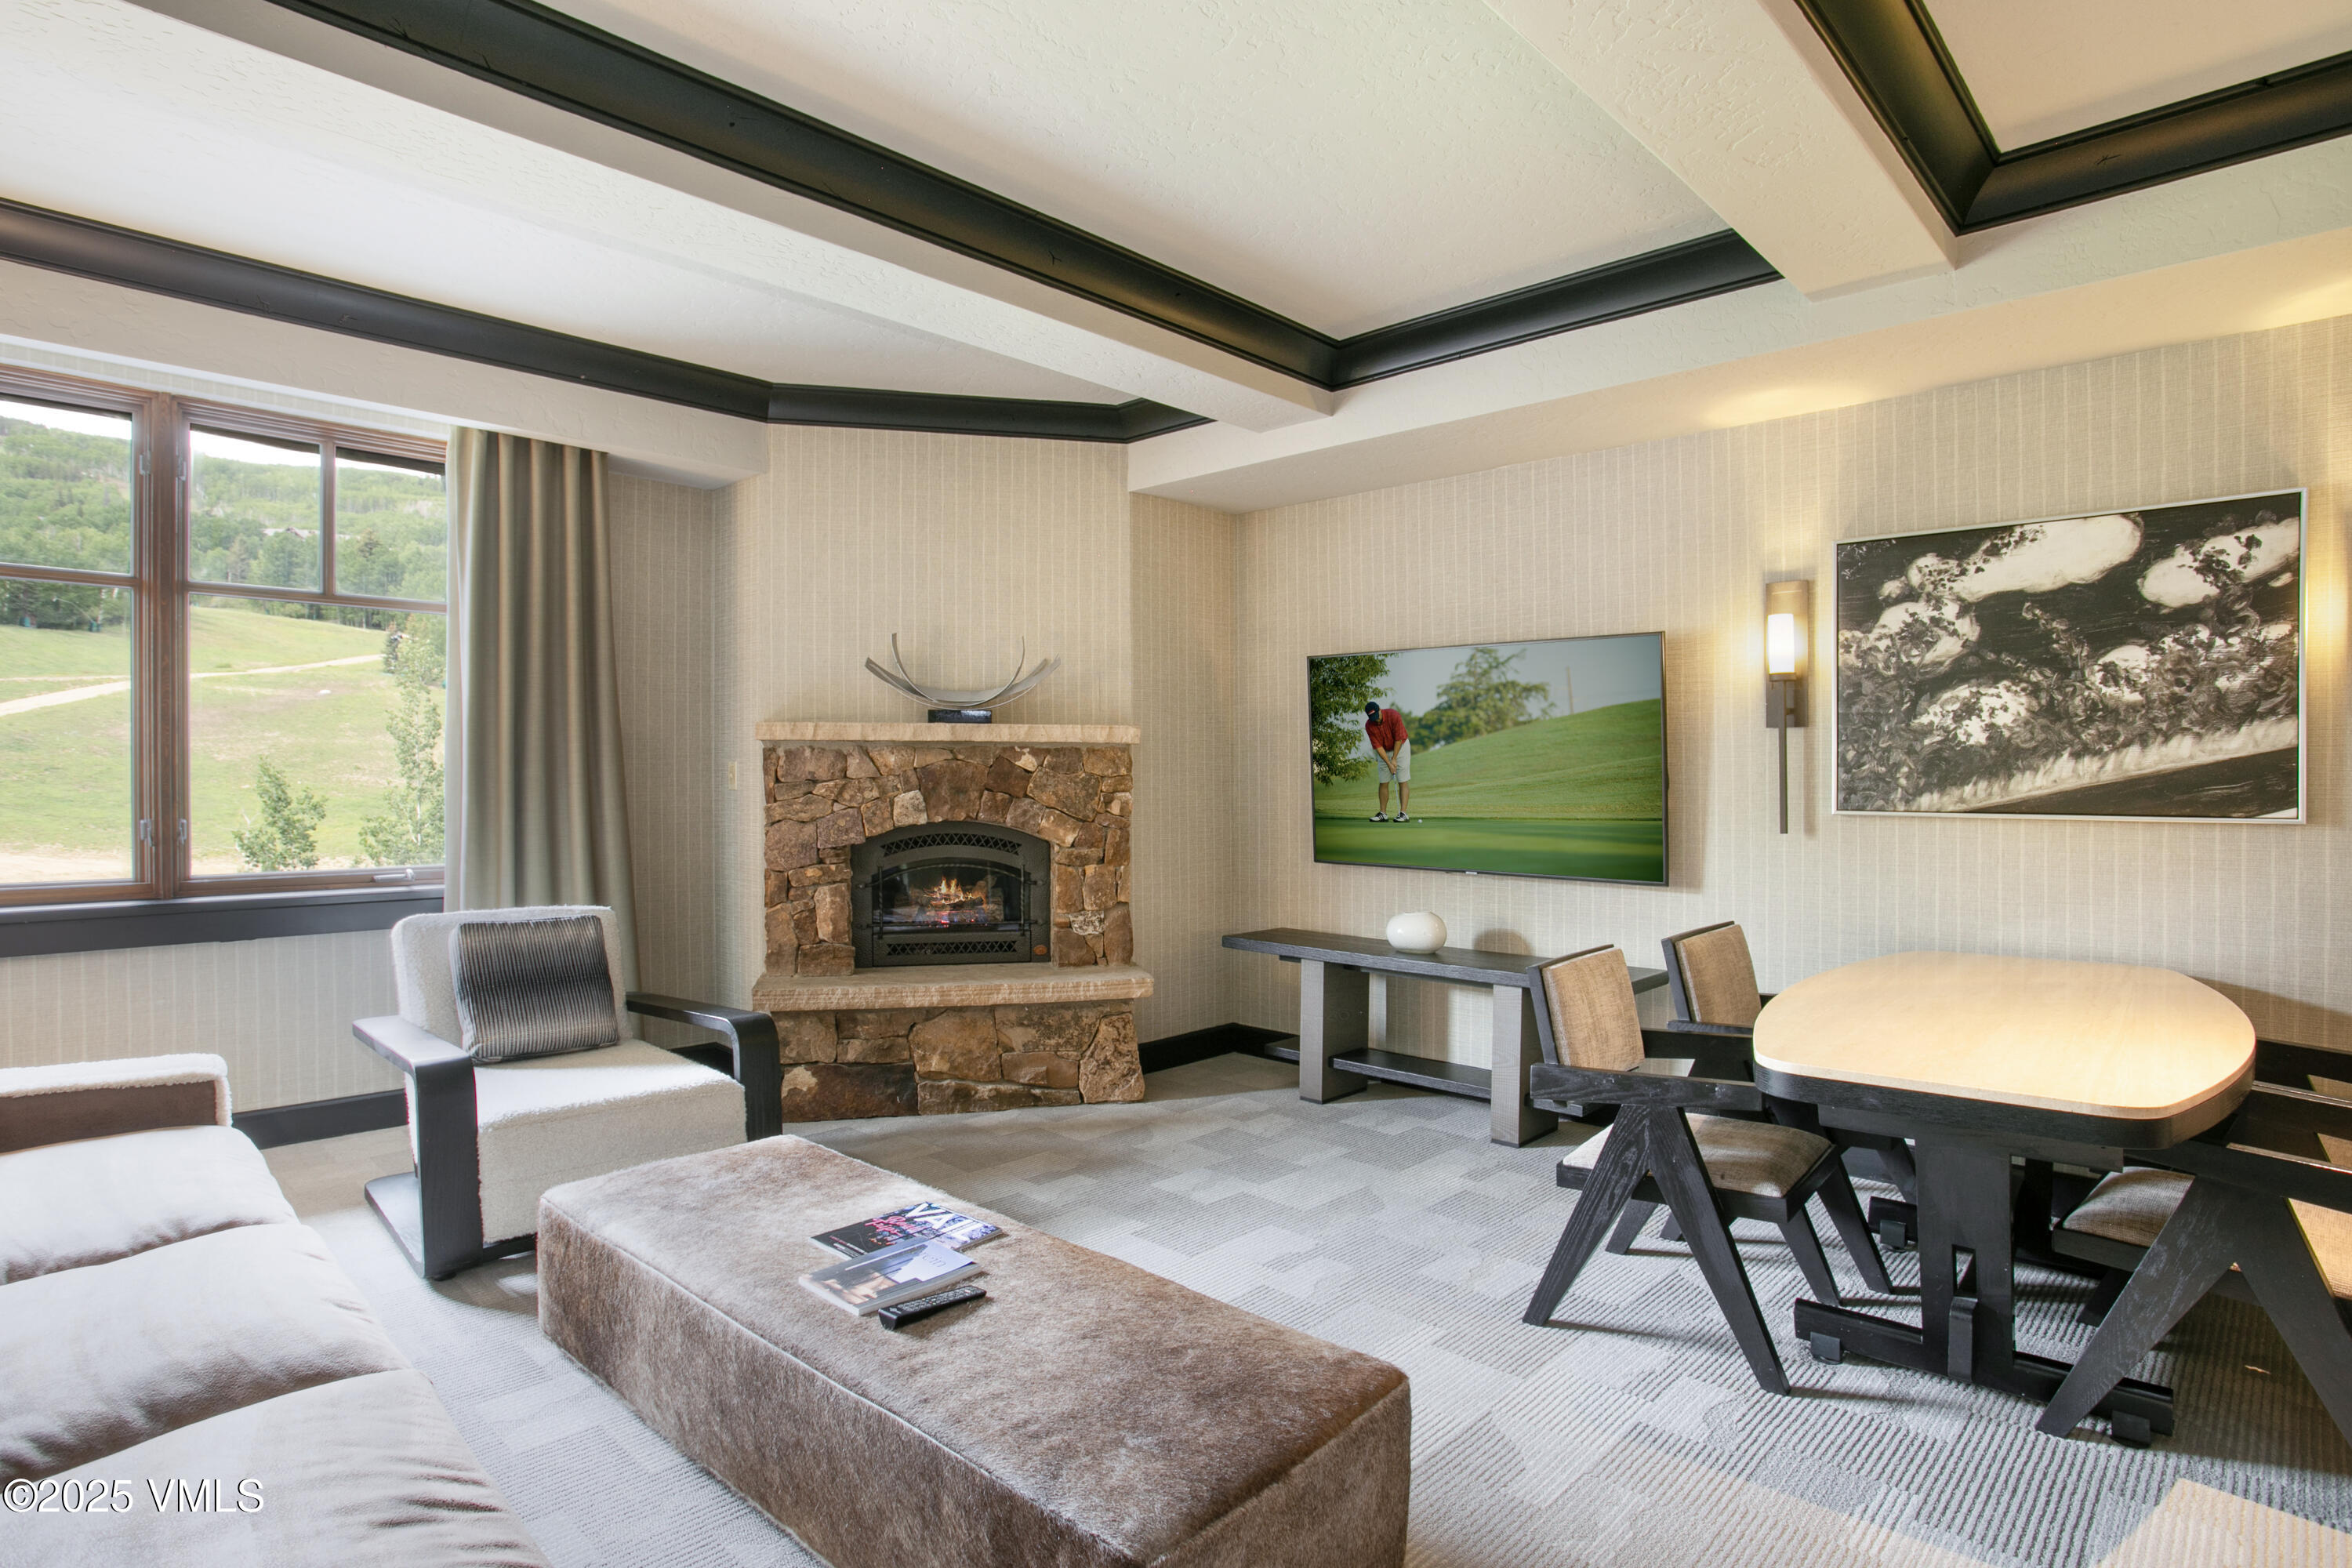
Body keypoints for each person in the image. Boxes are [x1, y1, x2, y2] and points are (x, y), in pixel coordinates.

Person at [1363, 701, 1410, 822]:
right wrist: (1389, 763)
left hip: (1401, 747)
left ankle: (1403, 814)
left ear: (1380, 709)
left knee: (1402, 780)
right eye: (1373, 718)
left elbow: (1399, 739)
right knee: (1383, 781)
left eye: (1377, 716)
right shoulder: (1369, 725)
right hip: (1384, 751)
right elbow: (1378, 747)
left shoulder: (1394, 715)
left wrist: (1394, 759)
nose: (1376, 720)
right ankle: (1383, 814)